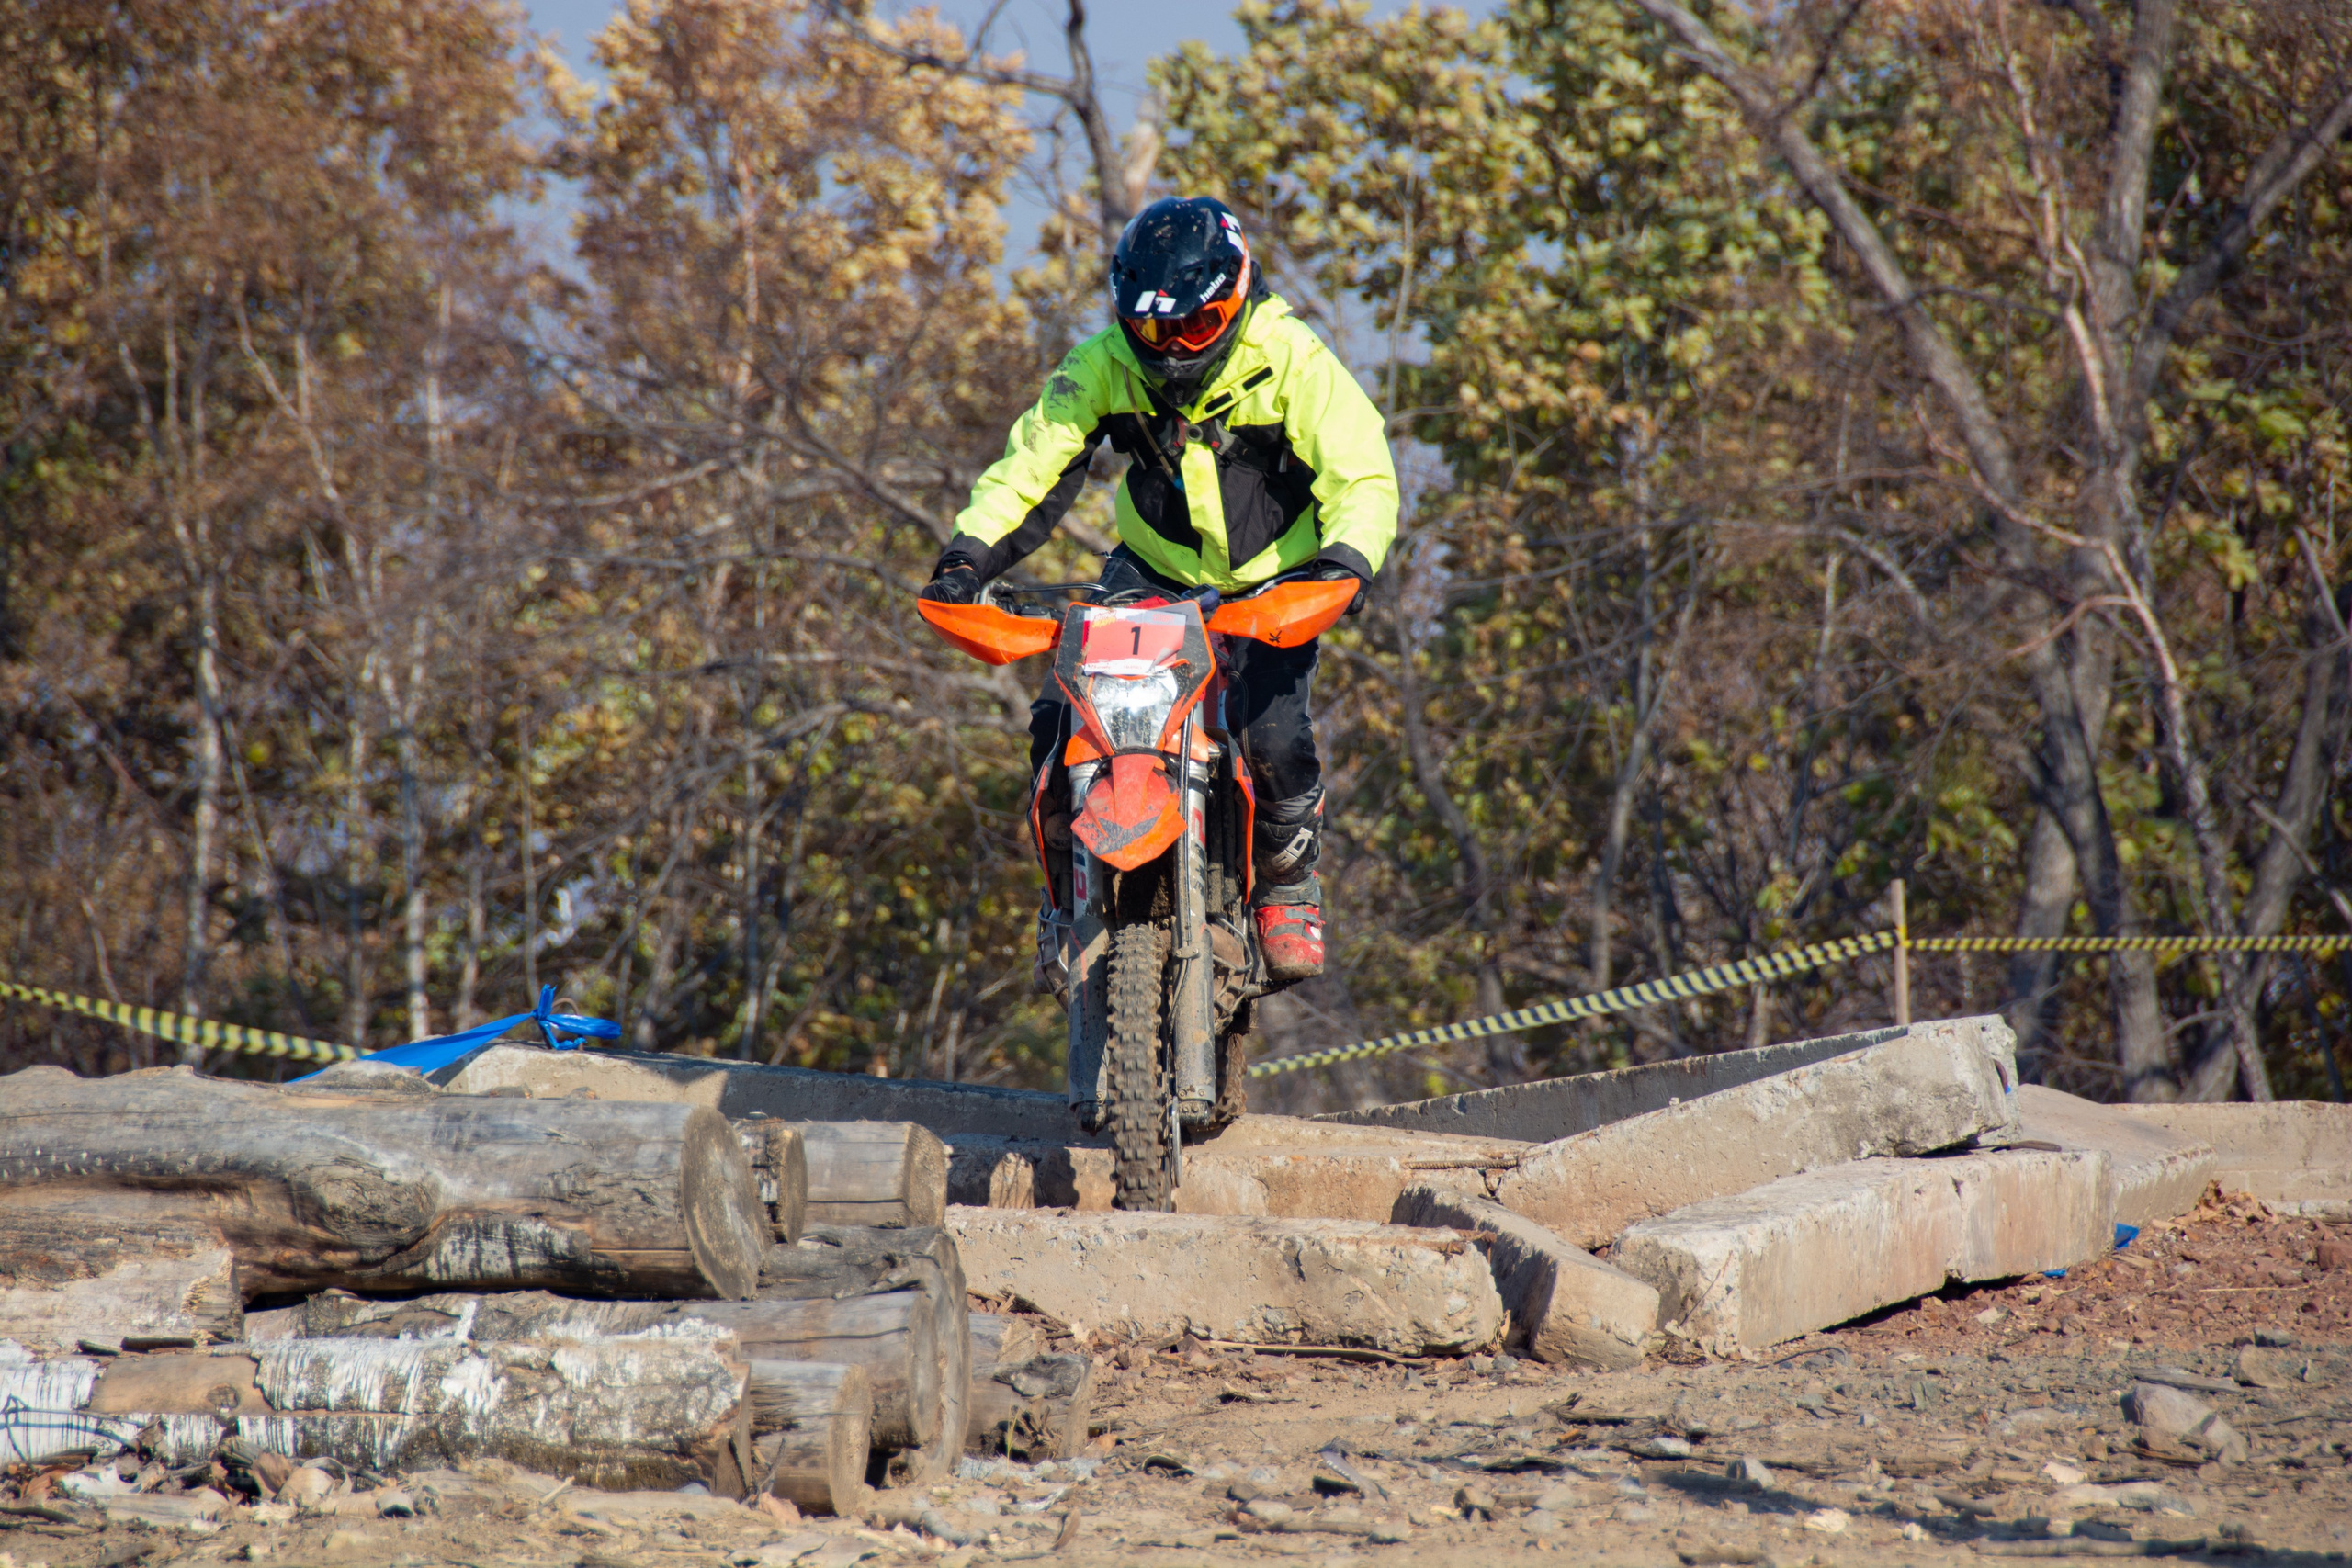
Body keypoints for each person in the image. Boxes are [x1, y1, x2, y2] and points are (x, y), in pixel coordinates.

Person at [919, 196, 1398, 985]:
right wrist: (965, 559)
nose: (1172, 350)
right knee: (1055, 722)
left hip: (1277, 582)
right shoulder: (1101, 364)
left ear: (1236, 298)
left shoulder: (1294, 361)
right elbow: (1030, 469)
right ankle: (1064, 899)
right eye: (1152, 331)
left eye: (1194, 329)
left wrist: (1344, 562)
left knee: (1274, 734)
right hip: (1153, 574)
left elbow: (1364, 474)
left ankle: (1287, 880)